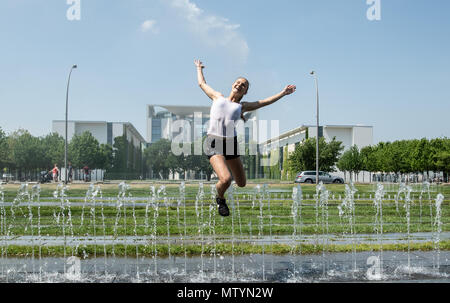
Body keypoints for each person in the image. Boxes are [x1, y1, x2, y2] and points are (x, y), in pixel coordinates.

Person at [195, 59, 296, 216]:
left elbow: (264, 102)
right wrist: (199, 68)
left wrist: (283, 93)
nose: (239, 85)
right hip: (214, 141)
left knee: (241, 183)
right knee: (226, 179)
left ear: (245, 91)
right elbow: (202, 84)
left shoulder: (242, 106)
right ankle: (220, 199)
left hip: (231, 143)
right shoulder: (218, 97)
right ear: (233, 85)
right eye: (238, 82)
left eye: (243, 85)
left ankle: (222, 190)